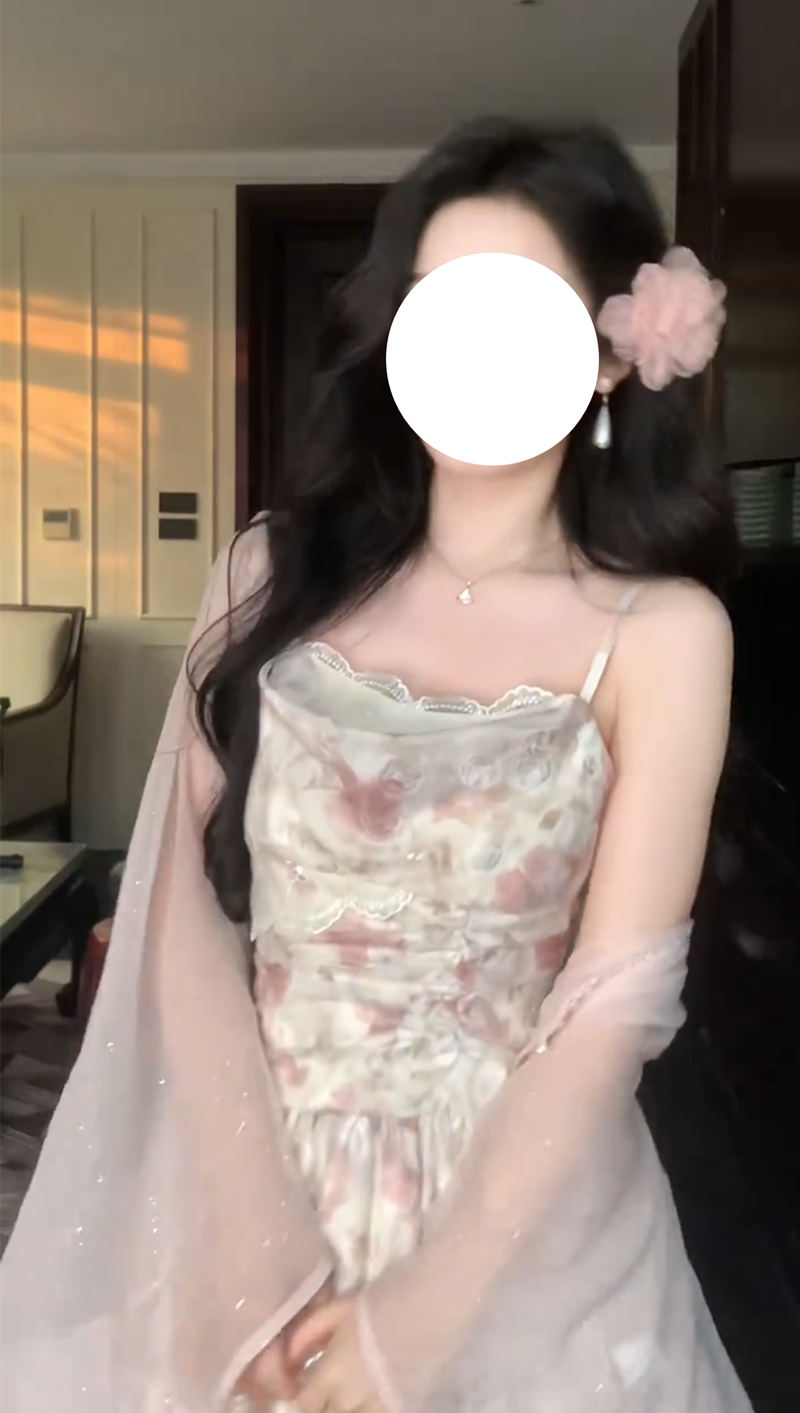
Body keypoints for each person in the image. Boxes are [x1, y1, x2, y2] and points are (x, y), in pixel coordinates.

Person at [0, 119, 754, 1413]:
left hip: (523, 1229)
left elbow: (612, 1002)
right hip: (246, 1180)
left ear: (609, 355)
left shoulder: (667, 634)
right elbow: (176, 910)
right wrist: (252, 1240)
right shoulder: (268, 572)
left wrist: (429, 1305)